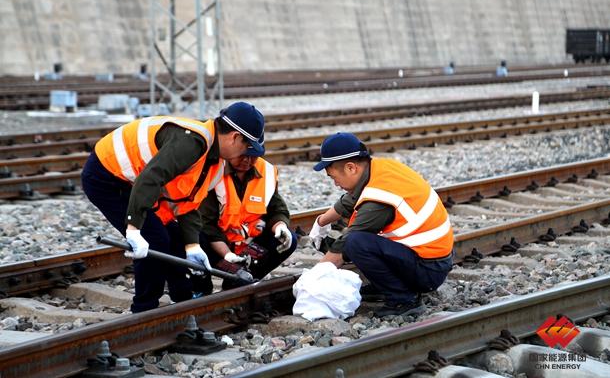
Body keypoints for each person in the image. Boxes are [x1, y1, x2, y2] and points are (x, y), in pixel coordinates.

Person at [81, 101, 265, 312]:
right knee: (154, 239)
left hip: (134, 181)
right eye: (247, 147)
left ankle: (183, 300)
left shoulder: (212, 159)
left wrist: (192, 245)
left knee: (175, 238)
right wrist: (133, 228)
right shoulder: (192, 143)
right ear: (234, 137)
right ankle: (144, 310)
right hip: (106, 176)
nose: (246, 154)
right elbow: (149, 179)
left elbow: (187, 201)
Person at [308, 133, 453, 318]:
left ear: (351, 168)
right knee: (363, 241)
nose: (335, 184)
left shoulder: (379, 201)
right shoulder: (378, 169)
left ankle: (404, 299)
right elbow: (350, 200)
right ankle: (387, 284)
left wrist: (312, 280)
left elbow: (342, 247)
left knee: (355, 243)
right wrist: (321, 221)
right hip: (432, 259)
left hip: (428, 271)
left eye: (333, 177)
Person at [191, 142, 297, 295]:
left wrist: (280, 225)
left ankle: (239, 282)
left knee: (288, 239)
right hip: (216, 246)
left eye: (253, 157)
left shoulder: (266, 172)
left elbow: (276, 209)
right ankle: (201, 289)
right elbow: (205, 224)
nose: (247, 161)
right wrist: (227, 255)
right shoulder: (213, 170)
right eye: (242, 155)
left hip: (246, 248)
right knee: (195, 239)